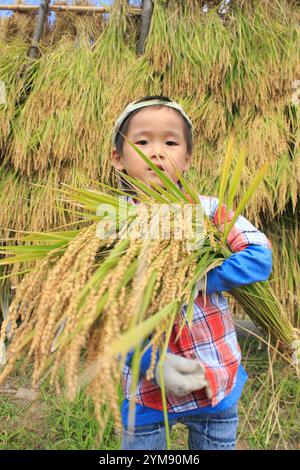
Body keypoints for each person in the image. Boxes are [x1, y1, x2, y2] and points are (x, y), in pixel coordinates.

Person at [111, 96, 272, 450]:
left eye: (170, 142)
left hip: (214, 377)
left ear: (187, 159)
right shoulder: (113, 224)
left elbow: (261, 257)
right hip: (147, 388)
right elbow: (104, 315)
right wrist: (149, 363)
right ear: (118, 158)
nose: (157, 152)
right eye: (142, 142)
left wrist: (205, 277)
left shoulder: (209, 211)